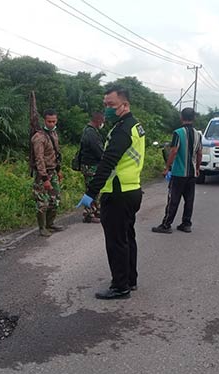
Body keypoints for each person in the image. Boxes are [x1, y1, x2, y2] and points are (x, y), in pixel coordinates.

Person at [77, 86, 145, 300]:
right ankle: (130, 280)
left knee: (116, 242)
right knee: (127, 237)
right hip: (131, 190)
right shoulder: (135, 126)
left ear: (125, 105)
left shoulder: (123, 130)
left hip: (117, 193)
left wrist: (91, 192)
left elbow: (107, 162)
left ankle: (120, 287)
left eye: (111, 105)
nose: (106, 109)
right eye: (105, 104)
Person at [151, 107, 202, 234]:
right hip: (191, 173)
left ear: (181, 117)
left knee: (173, 199)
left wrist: (167, 167)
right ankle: (186, 224)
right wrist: (197, 168)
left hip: (179, 172)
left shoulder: (178, 133)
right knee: (189, 200)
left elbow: (174, 151)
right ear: (194, 118)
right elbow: (200, 153)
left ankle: (166, 225)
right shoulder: (198, 134)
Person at [30, 109, 64, 237]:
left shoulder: (54, 133)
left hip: (53, 171)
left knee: (55, 200)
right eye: (49, 121)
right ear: (44, 120)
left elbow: (55, 153)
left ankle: (50, 223)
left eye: (54, 121)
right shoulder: (39, 137)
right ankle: (42, 227)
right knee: (42, 202)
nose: (51, 123)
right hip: (42, 174)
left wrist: (58, 170)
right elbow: (39, 159)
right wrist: (45, 179)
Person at [79, 112, 105, 223]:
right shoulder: (91, 133)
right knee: (91, 189)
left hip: (91, 165)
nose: (103, 123)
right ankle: (88, 214)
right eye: (103, 121)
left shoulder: (91, 131)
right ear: (98, 120)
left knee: (95, 189)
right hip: (90, 166)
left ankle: (95, 210)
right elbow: (97, 150)